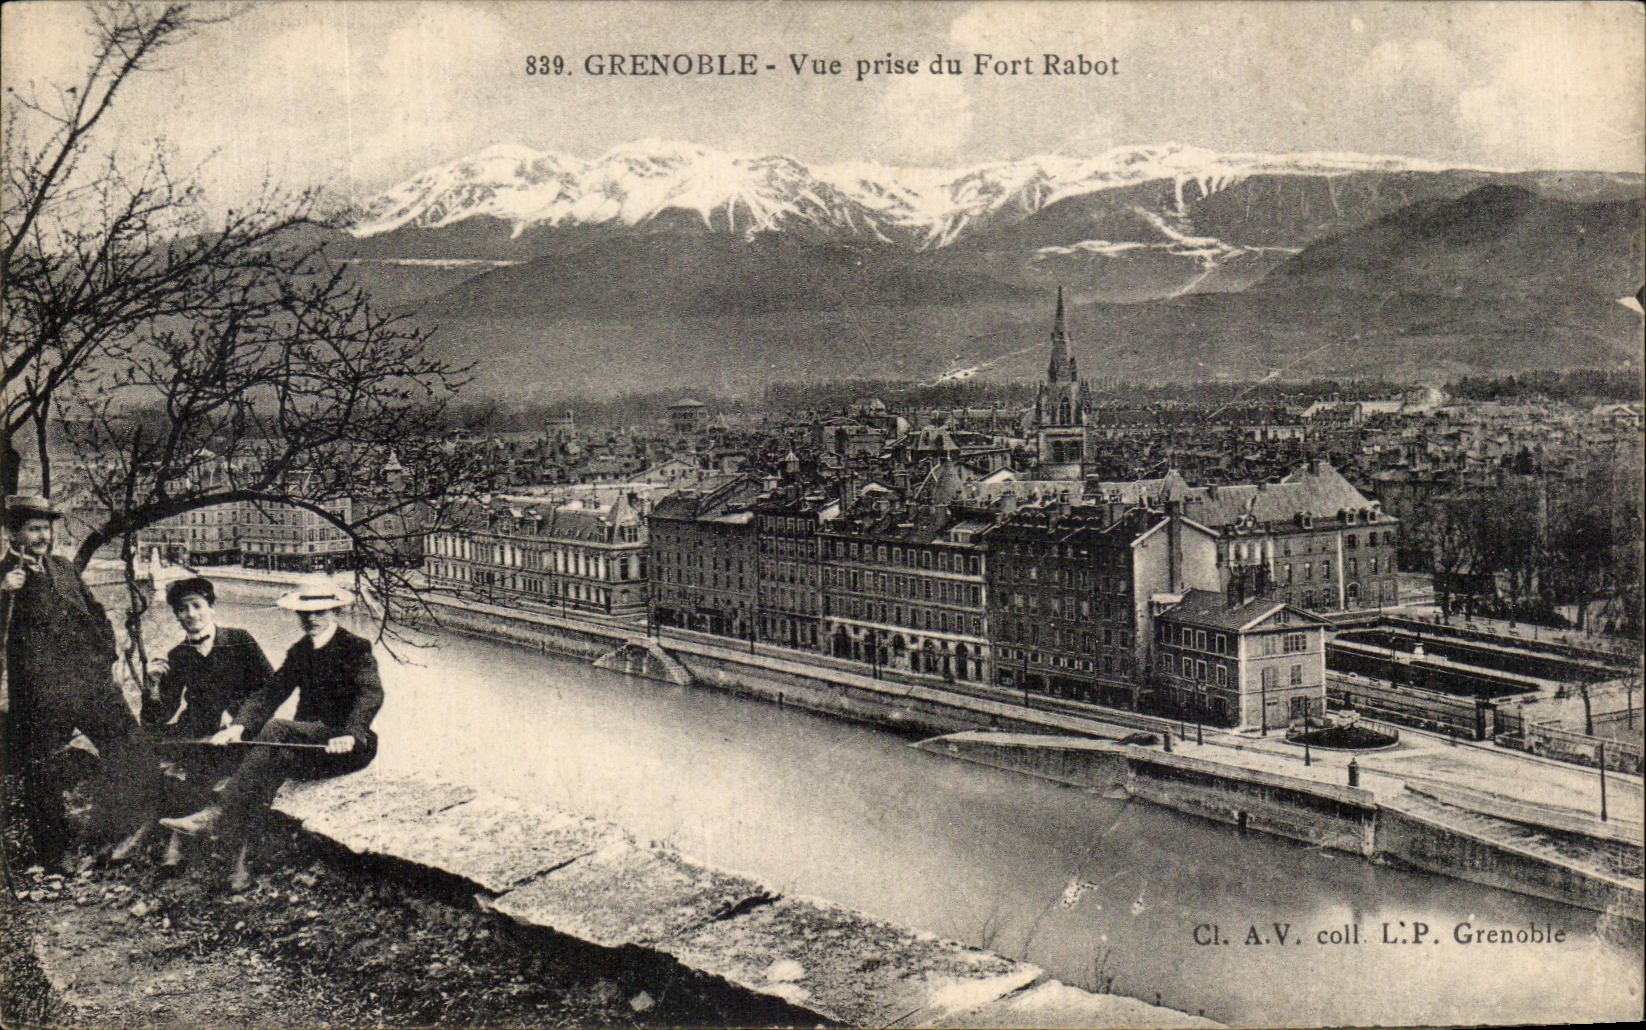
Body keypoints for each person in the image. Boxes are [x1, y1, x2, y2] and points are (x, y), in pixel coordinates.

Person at [161, 573, 382, 890]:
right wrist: (239, 727)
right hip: (310, 747)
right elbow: (270, 693)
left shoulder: (355, 647)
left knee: (274, 729)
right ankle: (240, 864)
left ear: (336, 612)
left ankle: (217, 815)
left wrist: (352, 731)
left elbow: (370, 694)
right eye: (304, 614)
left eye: (319, 613)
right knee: (261, 767)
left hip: (347, 747)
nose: (311, 620)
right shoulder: (300, 651)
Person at [2, 494, 158, 872]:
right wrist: (2, 591)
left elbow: (96, 613)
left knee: (128, 744)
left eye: (46, 528)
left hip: (90, 684)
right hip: (41, 695)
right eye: (33, 529)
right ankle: (55, 855)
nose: (43, 536)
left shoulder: (63, 567)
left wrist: (111, 658)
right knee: (42, 771)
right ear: (12, 532)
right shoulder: (4, 577)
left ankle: (120, 831)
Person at [133, 576, 275, 868]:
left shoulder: (240, 640)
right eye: (183, 610)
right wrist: (153, 688)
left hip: (242, 729)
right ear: (176, 616)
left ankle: (220, 851)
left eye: (197, 606)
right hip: (200, 733)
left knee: (239, 772)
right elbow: (158, 718)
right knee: (175, 764)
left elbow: (269, 690)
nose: (191, 615)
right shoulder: (178, 655)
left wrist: (239, 720)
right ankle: (173, 837)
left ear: (211, 608)